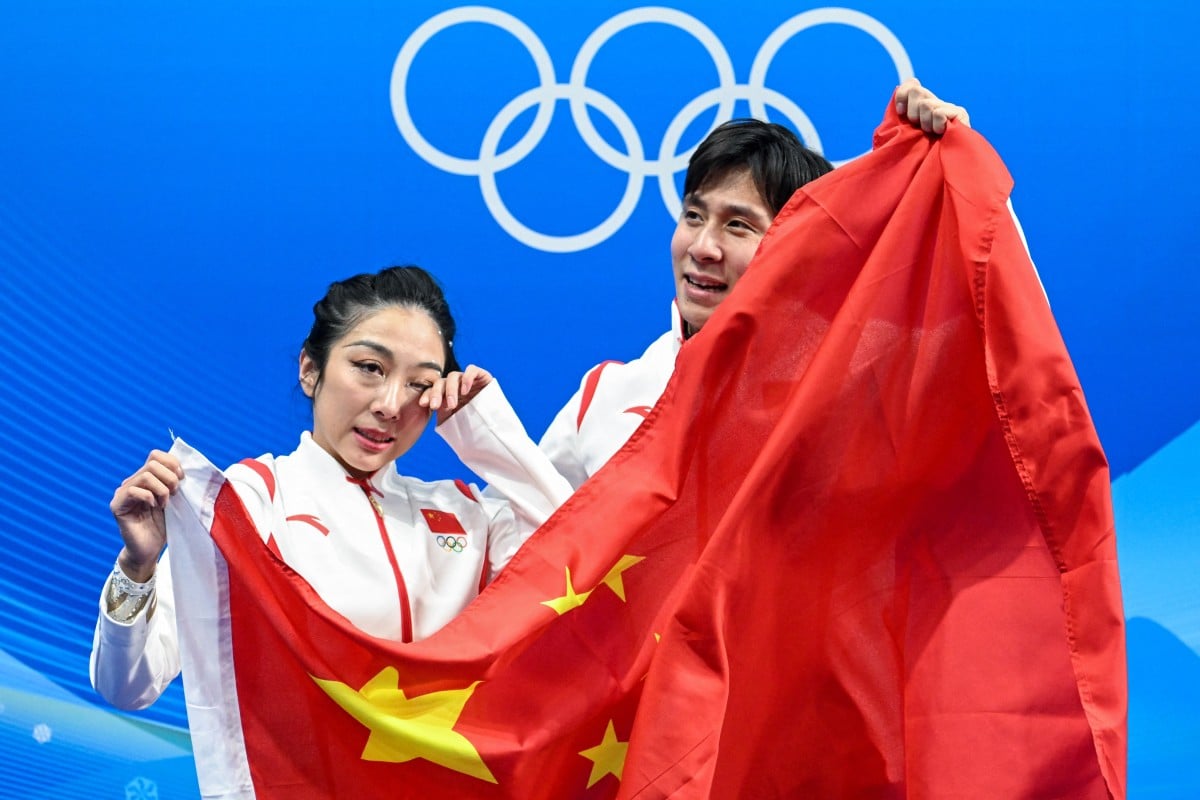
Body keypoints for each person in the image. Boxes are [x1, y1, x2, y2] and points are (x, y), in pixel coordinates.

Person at [90, 265, 571, 710]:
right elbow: (128, 686)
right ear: (309, 369)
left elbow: (581, 562)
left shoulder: (465, 512)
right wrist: (137, 567)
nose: (390, 405)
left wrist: (487, 431)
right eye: (370, 367)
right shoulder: (252, 500)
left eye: (420, 384)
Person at [517, 78, 970, 488]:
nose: (703, 247)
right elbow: (525, 537)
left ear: (797, 252)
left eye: (737, 225)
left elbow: (980, 361)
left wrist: (960, 176)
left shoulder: (849, 402)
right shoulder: (608, 394)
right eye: (694, 216)